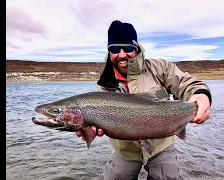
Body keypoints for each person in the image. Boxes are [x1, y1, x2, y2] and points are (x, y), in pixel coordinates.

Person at [76, 20, 212, 180]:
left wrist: (201, 95)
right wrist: (92, 129)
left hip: (161, 146)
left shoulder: (160, 68)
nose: (121, 55)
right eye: (114, 49)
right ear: (109, 51)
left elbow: (186, 83)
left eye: (127, 48)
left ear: (136, 48)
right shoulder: (105, 85)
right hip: (125, 150)